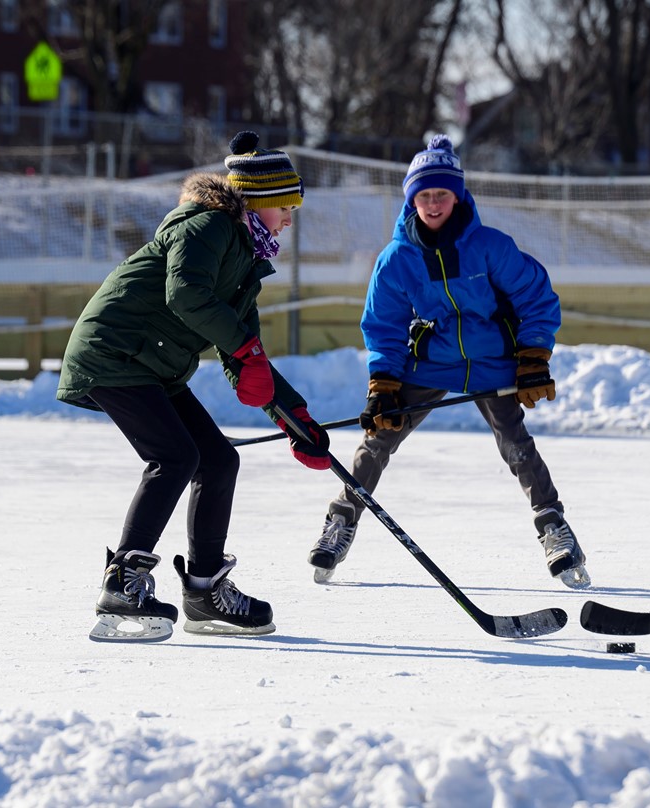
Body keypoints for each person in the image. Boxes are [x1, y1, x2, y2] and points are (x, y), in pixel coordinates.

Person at [58, 131, 331, 643]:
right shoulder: (206, 226)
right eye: (284, 206)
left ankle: (205, 592)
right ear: (256, 201)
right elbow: (184, 295)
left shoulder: (246, 258)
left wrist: (295, 419)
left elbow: (241, 347)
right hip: (115, 353)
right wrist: (245, 353)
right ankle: (123, 583)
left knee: (219, 459)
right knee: (176, 457)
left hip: (153, 365)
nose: (290, 218)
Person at [308, 135, 590, 589]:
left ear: (457, 195)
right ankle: (341, 520)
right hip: (433, 360)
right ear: (412, 200)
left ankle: (554, 527)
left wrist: (533, 355)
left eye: (441, 193)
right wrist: (383, 381)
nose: (433, 203)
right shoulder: (396, 258)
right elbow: (383, 324)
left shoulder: (490, 247)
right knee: (380, 435)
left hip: (491, 358)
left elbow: (537, 297)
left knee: (515, 443)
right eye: (424, 195)